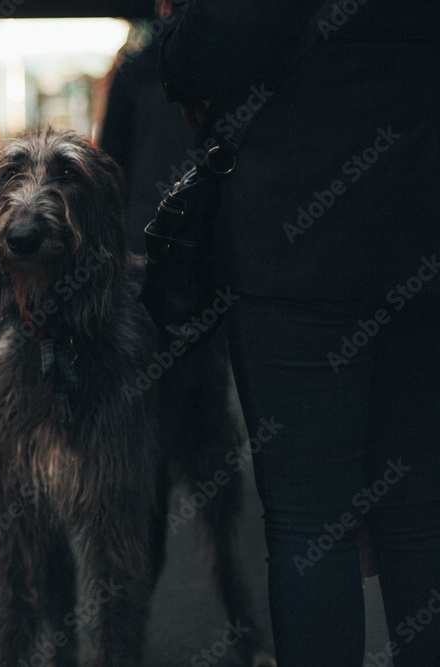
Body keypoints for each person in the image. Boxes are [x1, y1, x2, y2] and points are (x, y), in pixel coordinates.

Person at [160, 2, 440, 665]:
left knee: (314, 521)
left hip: (296, 240)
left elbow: (218, 46)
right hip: (423, 231)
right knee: (419, 514)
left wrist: (174, 30)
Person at [99, 1, 195, 254]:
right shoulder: (239, 62)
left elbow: (110, 159)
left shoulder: (135, 69)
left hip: (149, 222)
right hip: (221, 222)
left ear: (164, 6)